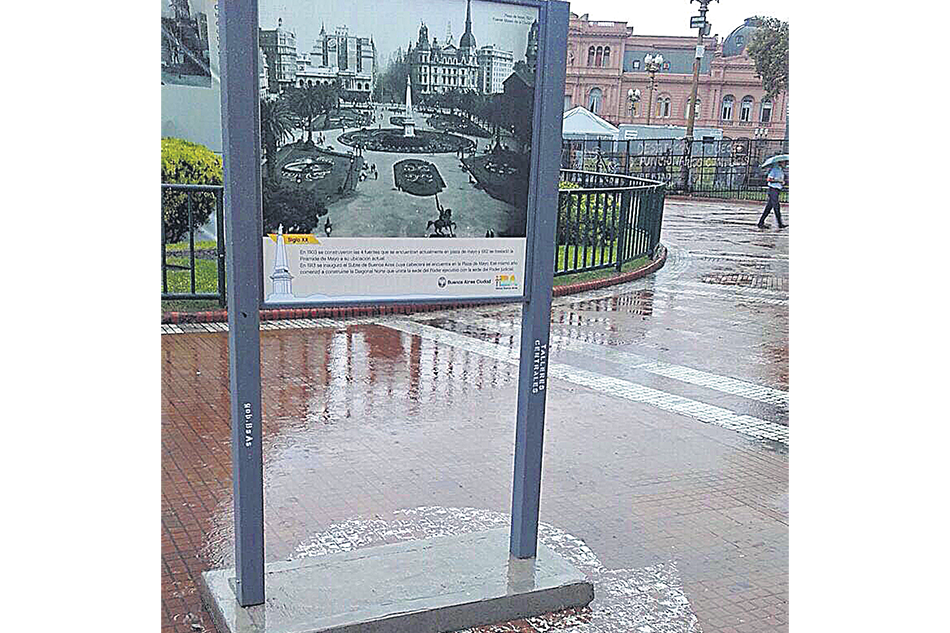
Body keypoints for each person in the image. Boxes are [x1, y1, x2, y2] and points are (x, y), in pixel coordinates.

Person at [758, 161, 787, 229]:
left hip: (777, 190)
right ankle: (780, 224)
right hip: (773, 189)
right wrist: (778, 180)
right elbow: (769, 179)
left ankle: (761, 222)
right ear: (780, 163)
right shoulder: (775, 170)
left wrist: (782, 182)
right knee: (776, 207)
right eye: (784, 163)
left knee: (768, 208)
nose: (785, 164)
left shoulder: (781, 171)